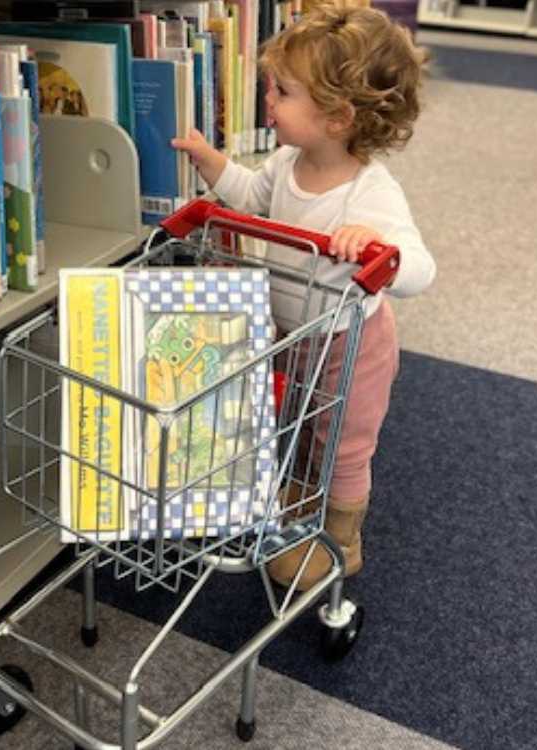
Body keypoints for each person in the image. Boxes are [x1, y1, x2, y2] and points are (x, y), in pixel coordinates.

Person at [171, 3, 436, 590]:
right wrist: (211, 161)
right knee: (302, 419)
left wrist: (376, 247)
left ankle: (341, 537)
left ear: (338, 118)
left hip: (351, 342)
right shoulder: (288, 161)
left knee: (343, 441)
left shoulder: (371, 193)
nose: (269, 99)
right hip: (292, 330)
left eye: (283, 91)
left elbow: (421, 269)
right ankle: (302, 494)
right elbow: (250, 196)